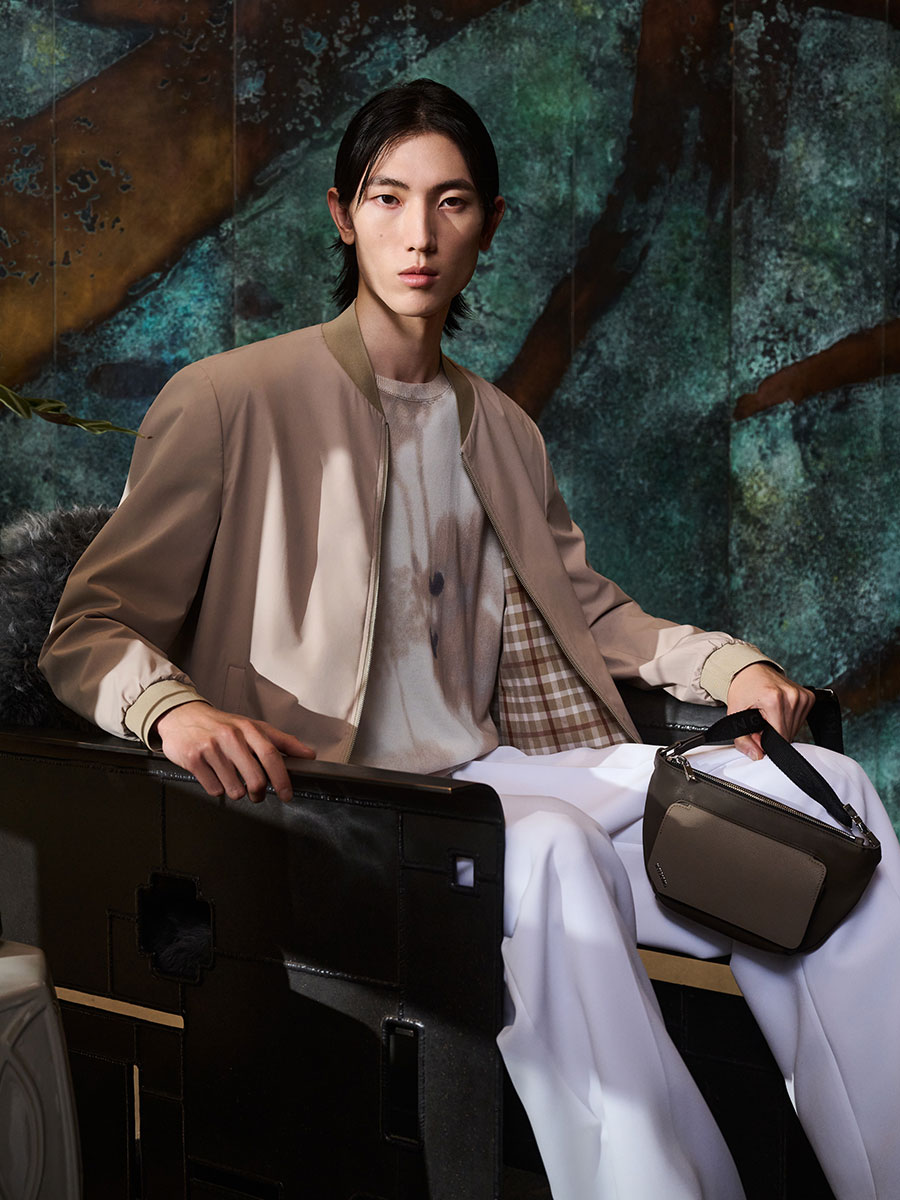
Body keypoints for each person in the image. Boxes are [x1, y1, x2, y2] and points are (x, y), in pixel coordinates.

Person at [39, 79, 900, 1199]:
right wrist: (176, 710)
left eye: (450, 203)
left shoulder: (502, 429)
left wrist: (727, 661)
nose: (420, 235)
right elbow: (86, 628)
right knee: (545, 851)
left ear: (487, 226)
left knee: (825, 798)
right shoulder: (227, 401)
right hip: (335, 807)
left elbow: (589, 612)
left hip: (494, 774)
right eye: (388, 199)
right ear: (343, 216)